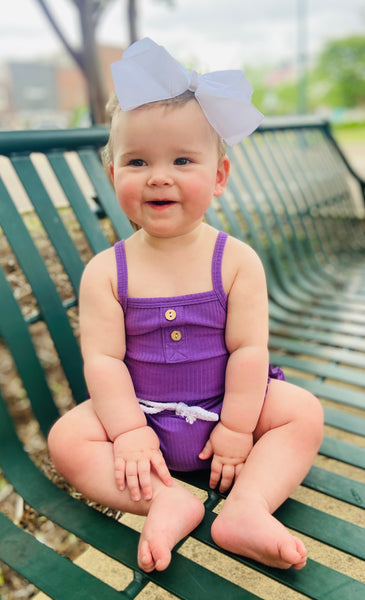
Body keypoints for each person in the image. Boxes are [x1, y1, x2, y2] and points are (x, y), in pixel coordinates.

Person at [48, 38, 323, 574]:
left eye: (181, 160)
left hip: (227, 409)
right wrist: (127, 431)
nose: (159, 175)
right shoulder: (107, 271)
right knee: (68, 440)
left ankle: (247, 507)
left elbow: (248, 350)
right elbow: (103, 362)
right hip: (142, 422)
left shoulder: (235, 261)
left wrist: (240, 428)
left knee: (301, 413)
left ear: (218, 178)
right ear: (113, 177)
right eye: (137, 161)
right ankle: (165, 499)